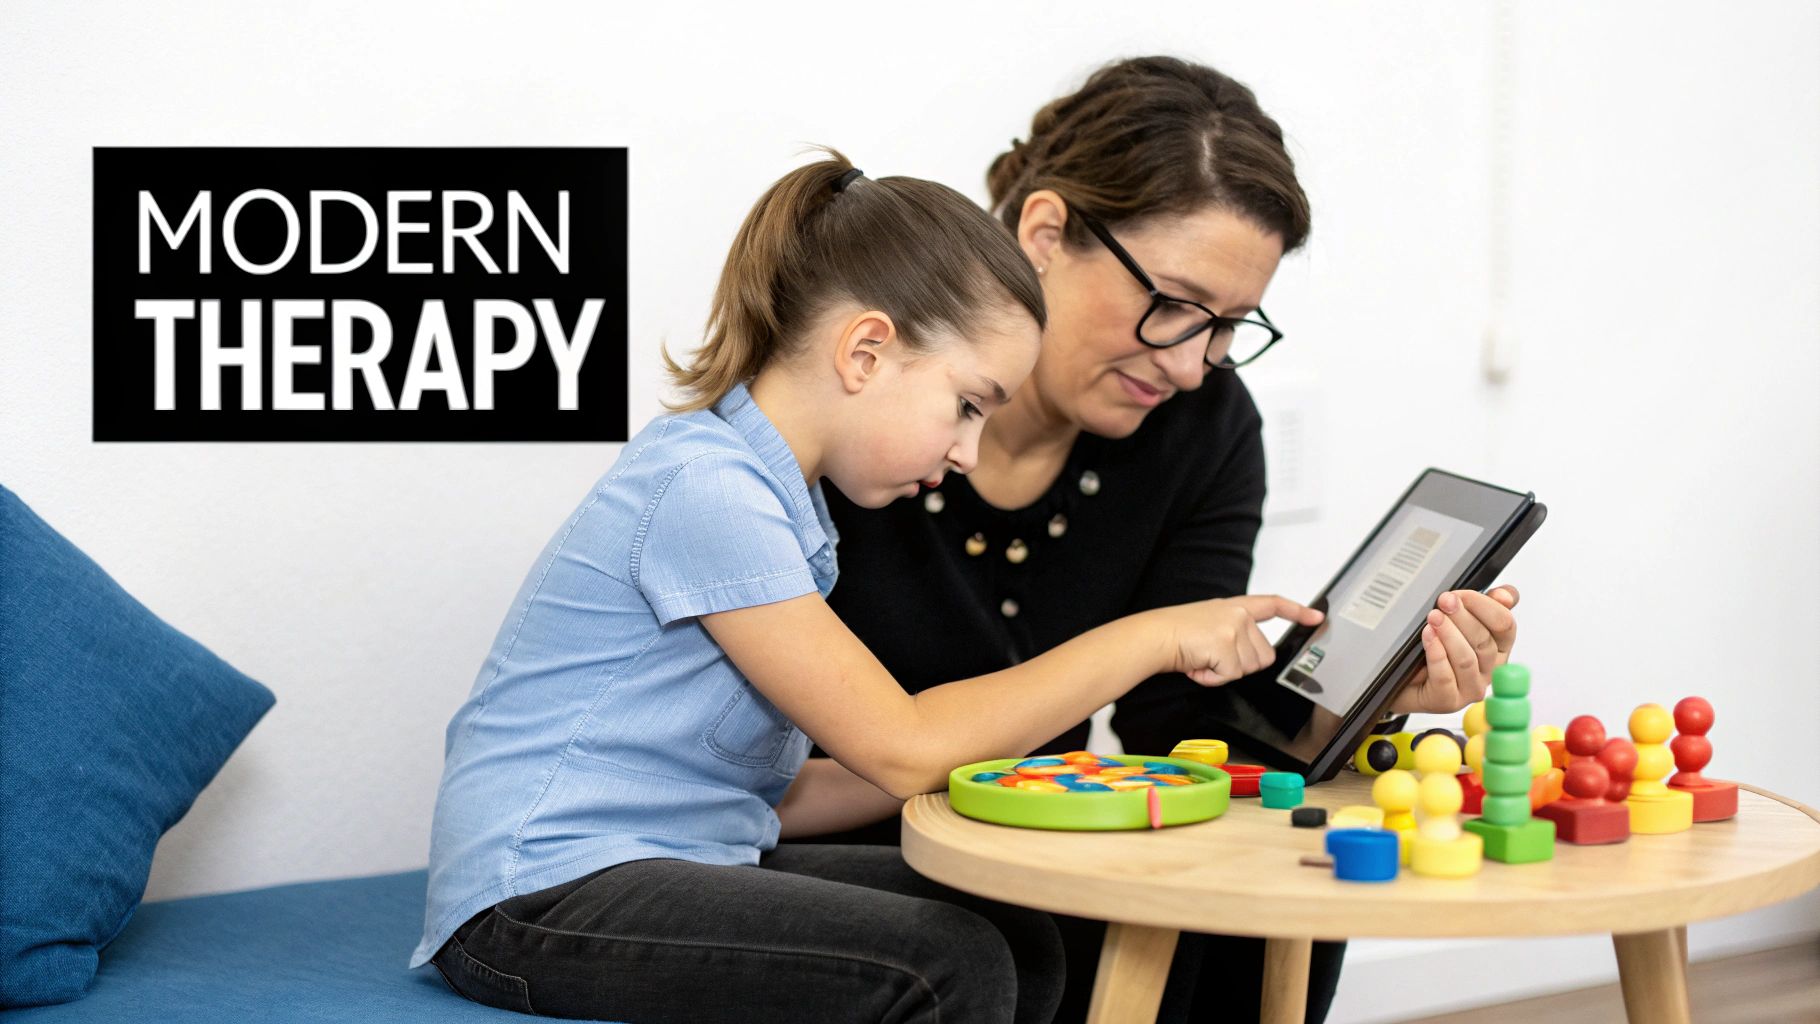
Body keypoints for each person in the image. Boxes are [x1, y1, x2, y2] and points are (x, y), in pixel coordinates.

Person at [410, 150, 1328, 1024]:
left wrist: (1021, 779)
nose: (967, 451)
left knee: (1020, 931)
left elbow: (788, 795)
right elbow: (901, 748)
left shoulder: (787, 503)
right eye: (967, 405)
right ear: (865, 354)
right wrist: (1153, 637)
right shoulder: (707, 489)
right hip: (536, 893)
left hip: (679, 854)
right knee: (944, 963)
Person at [787, 58, 1524, 1022]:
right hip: (833, 850)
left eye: (1226, 327)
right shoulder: (854, 404)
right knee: (1006, 935)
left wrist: (1367, 693)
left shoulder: (1207, 428)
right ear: (1044, 233)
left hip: (1036, 834)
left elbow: (1177, 724)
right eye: (1171, 304)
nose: (1189, 364)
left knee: (1268, 893)